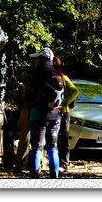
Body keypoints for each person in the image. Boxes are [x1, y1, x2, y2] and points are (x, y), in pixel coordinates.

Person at [27, 47, 64, 178]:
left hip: (40, 115)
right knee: (53, 147)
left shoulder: (39, 73)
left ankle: (34, 177)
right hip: (56, 116)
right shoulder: (57, 72)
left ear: (42, 59)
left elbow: (33, 96)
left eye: (37, 58)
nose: (35, 61)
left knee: (37, 147)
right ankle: (55, 177)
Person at [54, 56, 80, 176]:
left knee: (63, 137)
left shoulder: (64, 78)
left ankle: (64, 164)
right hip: (57, 112)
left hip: (64, 112)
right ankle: (57, 163)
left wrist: (65, 103)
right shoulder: (52, 78)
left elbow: (75, 91)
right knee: (56, 138)